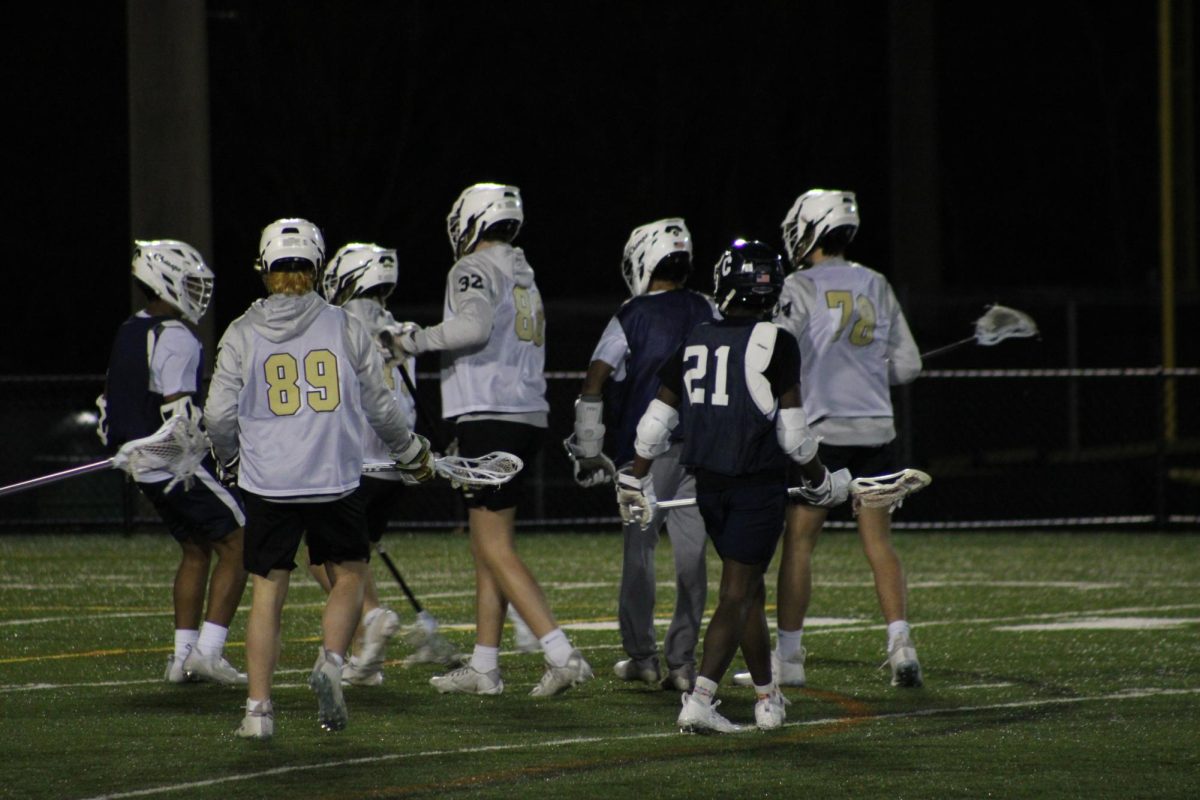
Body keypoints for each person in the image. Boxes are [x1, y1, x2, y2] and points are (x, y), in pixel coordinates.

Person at [205, 218, 436, 740]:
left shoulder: (241, 331)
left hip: (268, 481)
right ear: (317, 267)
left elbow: (218, 415)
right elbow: (380, 404)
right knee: (350, 575)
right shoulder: (344, 326)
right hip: (334, 477)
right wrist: (409, 450)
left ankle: (258, 712)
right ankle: (332, 662)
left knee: (268, 593)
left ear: (265, 269)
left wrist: (229, 459)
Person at [618, 239, 849, 733]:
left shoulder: (697, 335)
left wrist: (634, 473)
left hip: (709, 488)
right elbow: (792, 435)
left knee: (747, 590)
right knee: (737, 594)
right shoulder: (777, 340)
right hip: (755, 486)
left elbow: (656, 422)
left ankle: (768, 698)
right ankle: (701, 700)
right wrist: (822, 481)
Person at [397, 183, 592, 697]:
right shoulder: (522, 272)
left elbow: (472, 328)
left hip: (490, 415)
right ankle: (485, 666)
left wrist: (411, 341)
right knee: (488, 547)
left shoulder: (473, 268)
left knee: (494, 547)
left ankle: (560, 652)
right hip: (524, 414)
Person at [733, 189, 924, 690]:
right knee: (879, 543)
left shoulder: (798, 286)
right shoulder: (876, 283)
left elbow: (774, 347)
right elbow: (909, 366)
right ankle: (901, 643)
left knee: (799, 544)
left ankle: (790, 659)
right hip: (876, 430)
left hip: (822, 434)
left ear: (807, 230)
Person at [564, 217, 715, 691]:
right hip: (704, 450)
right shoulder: (709, 306)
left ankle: (643, 657)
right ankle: (683, 663)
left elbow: (596, 378)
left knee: (640, 557)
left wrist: (588, 447)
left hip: (646, 455)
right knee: (693, 557)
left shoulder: (632, 314)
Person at [97, 239, 248, 687]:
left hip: (140, 466)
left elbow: (113, 406)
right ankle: (208, 652)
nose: (198, 293)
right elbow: (178, 417)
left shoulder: (129, 330)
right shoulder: (177, 336)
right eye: (189, 283)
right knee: (243, 543)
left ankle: (181, 659)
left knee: (196, 550)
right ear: (164, 282)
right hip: (173, 463)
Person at [317, 241, 460, 683]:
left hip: (354, 464)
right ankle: (368, 659)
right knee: (353, 557)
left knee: (323, 559)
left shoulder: (335, 327)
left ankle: (372, 617)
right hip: (396, 468)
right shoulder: (403, 329)